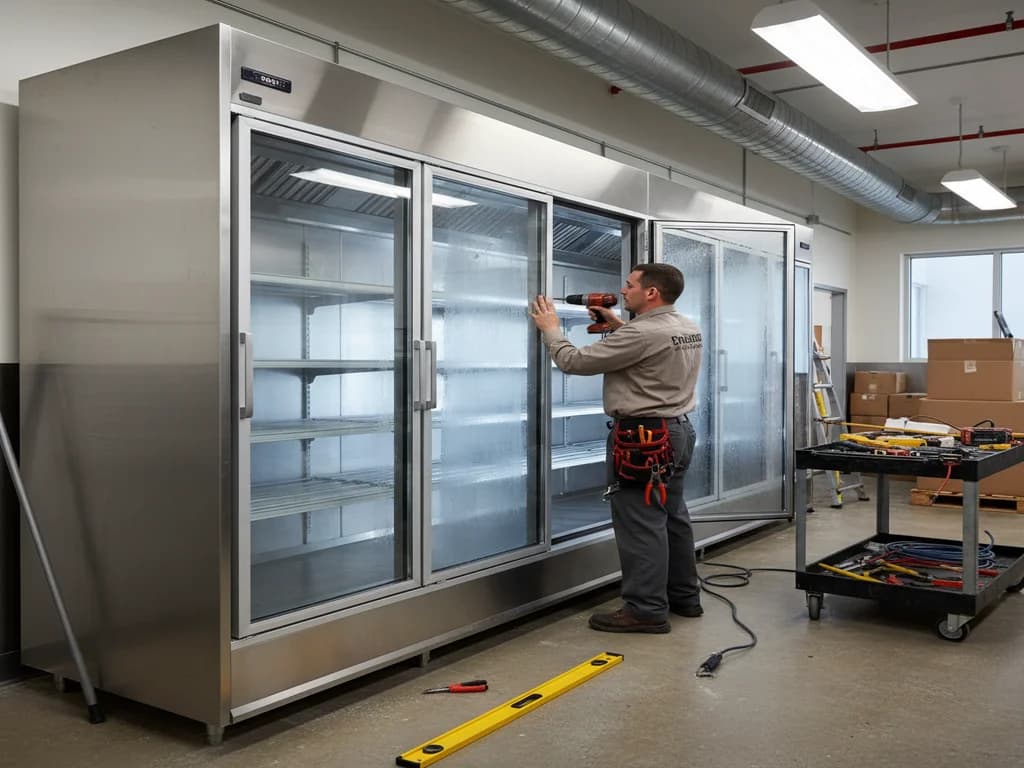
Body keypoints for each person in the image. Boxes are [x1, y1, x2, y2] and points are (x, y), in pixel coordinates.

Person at [529, 263, 703, 634]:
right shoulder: (685, 327)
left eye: (630, 285)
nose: (623, 291)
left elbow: (573, 361)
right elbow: (647, 346)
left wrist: (551, 331)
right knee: (672, 516)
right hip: (678, 433)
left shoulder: (641, 334)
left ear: (651, 292)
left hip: (643, 440)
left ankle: (645, 609)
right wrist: (618, 325)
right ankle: (684, 597)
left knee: (640, 524)